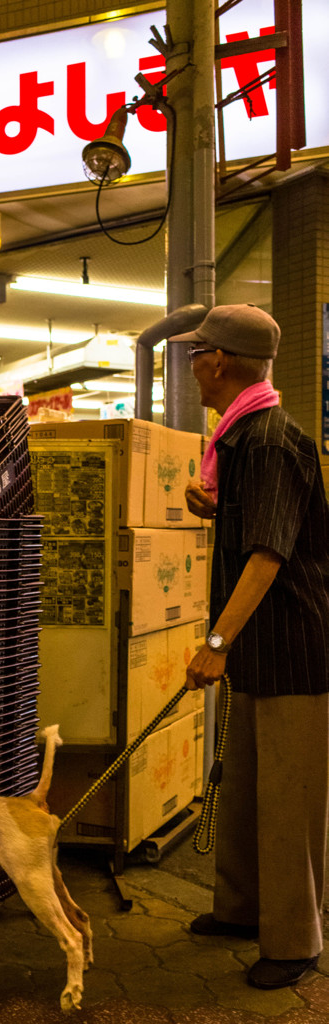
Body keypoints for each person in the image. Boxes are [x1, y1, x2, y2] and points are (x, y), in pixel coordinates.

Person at [172, 303, 329, 990]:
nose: (191, 368)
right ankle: (241, 909)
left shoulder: (266, 440)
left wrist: (214, 642)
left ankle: (296, 940)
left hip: (292, 645)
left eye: (195, 355)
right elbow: (254, 526)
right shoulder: (240, 441)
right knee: (244, 790)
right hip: (257, 649)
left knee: (289, 801)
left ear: (219, 362)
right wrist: (215, 502)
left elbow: (266, 557)